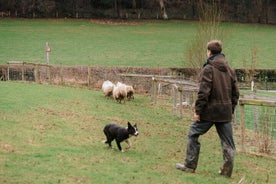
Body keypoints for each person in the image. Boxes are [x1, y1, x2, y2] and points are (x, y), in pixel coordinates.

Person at [175, 40, 240, 177]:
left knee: (193, 133)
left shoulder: (208, 68)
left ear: (209, 52)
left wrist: (198, 111)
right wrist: (230, 109)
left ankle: (189, 165)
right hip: (225, 113)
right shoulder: (230, 70)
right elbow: (236, 93)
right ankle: (226, 172)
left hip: (209, 112)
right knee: (228, 143)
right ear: (220, 52)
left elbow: (204, 92)